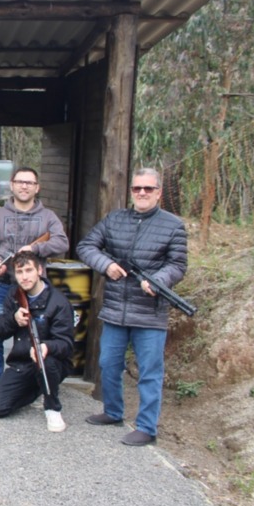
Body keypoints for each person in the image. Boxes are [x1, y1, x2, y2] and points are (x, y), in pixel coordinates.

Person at [77, 168, 188, 446]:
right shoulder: (115, 219)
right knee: (108, 364)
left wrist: (159, 281)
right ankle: (113, 412)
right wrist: (107, 265)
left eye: (148, 189)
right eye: (137, 188)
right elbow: (87, 246)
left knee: (150, 371)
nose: (141, 193)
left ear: (158, 193)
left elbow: (177, 265)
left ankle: (147, 428)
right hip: (116, 309)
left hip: (150, 312)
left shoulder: (173, 225)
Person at [0, 166, 69, 401]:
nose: (24, 186)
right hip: (2, 284)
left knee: (36, 335)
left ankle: (33, 379)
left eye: (29, 182)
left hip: (35, 290)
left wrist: (36, 248)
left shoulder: (48, 216)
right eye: (20, 182)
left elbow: (62, 243)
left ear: (37, 187)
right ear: (12, 185)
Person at [0, 251, 74, 432]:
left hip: (52, 361)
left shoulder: (59, 302)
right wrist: (13, 319)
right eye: (20, 272)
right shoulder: (13, 295)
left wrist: (46, 347)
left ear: (39, 270)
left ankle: (52, 407)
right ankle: (37, 389)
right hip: (22, 363)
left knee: (46, 360)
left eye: (29, 270)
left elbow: (66, 344)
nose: (25, 277)